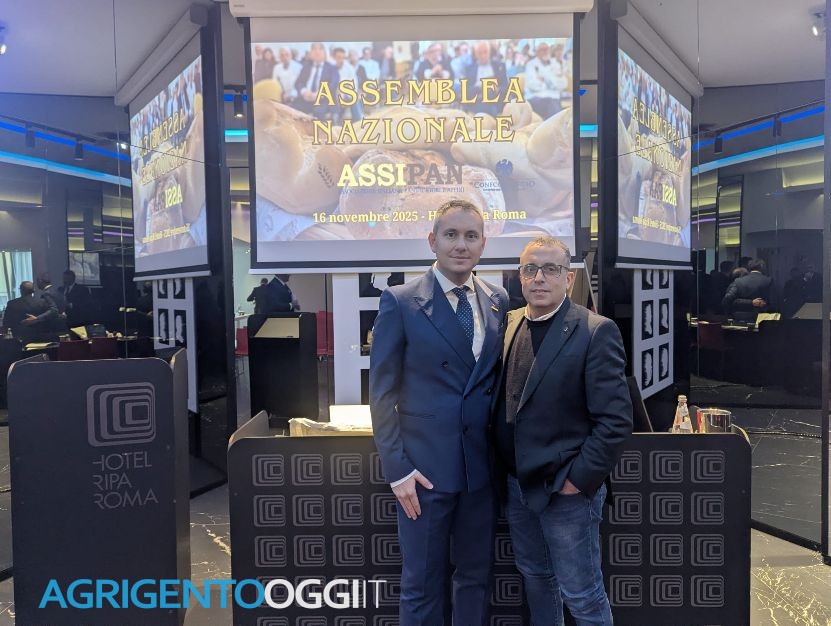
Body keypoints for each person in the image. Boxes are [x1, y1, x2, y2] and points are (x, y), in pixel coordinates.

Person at [370, 199, 508, 625]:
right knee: (422, 584)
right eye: (451, 235)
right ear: (433, 241)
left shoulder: (498, 299)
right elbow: (381, 394)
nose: (461, 245)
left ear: (483, 244)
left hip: (480, 470)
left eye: (471, 236)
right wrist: (397, 470)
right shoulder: (401, 301)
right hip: (423, 472)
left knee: (475, 579)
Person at [492, 237, 632, 625]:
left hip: (564, 491)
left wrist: (576, 481)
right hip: (517, 485)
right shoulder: (510, 323)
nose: (539, 278)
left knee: (582, 594)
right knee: (536, 578)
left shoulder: (594, 330)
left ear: (568, 278)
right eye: (530, 269)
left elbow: (616, 421)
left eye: (550, 269)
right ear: (520, 277)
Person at [293, 42, 339, 117]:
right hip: (306, 99)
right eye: (314, 49)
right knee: (292, 109)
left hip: (324, 100)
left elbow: (333, 85)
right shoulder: (306, 66)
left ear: (325, 53)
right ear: (310, 53)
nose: (317, 52)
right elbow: (298, 83)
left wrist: (319, 94)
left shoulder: (332, 68)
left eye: (320, 49)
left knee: (318, 111)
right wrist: (304, 92)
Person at [524, 42, 568, 118]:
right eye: (543, 50)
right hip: (536, 98)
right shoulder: (531, 65)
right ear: (537, 52)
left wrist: (545, 79)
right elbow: (532, 85)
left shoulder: (555, 64)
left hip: (554, 99)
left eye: (547, 49)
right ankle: (555, 124)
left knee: (556, 103)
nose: (545, 52)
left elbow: (564, 84)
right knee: (551, 104)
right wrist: (551, 83)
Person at [463, 41, 508, 116]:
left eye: (485, 52)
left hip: (495, 100)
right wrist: (481, 87)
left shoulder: (499, 66)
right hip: (477, 101)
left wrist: (497, 89)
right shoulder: (469, 69)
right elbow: (465, 91)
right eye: (480, 53)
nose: (483, 56)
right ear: (476, 54)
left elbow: (506, 87)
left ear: (489, 52)